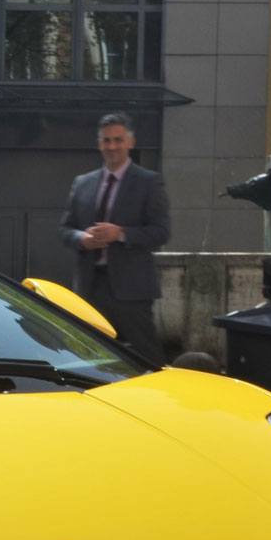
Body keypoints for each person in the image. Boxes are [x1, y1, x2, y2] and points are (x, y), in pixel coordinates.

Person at [56, 113, 171, 364]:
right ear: (99, 143)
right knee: (87, 358)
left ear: (130, 142)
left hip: (132, 291)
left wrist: (120, 233)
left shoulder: (149, 182)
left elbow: (162, 232)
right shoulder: (83, 183)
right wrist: (81, 238)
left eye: (118, 140)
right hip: (89, 287)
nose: (112, 146)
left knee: (146, 359)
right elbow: (65, 229)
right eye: (107, 141)